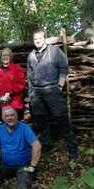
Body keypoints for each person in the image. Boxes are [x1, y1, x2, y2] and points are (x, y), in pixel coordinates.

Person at [27, 28, 78, 159]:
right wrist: (31, 93)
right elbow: (29, 75)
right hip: (37, 94)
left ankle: (73, 151)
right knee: (42, 121)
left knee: (62, 119)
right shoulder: (31, 55)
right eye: (35, 39)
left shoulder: (54, 51)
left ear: (44, 38)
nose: (37, 41)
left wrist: (60, 85)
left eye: (39, 38)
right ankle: (48, 149)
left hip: (52, 91)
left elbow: (63, 68)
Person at [0, 48, 26, 119]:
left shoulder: (17, 68)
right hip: (1, 103)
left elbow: (21, 84)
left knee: (15, 125)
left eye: (7, 55)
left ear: (11, 57)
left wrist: (9, 92)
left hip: (14, 103)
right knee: (3, 126)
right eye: (3, 55)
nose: (5, 57)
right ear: (0, 57)